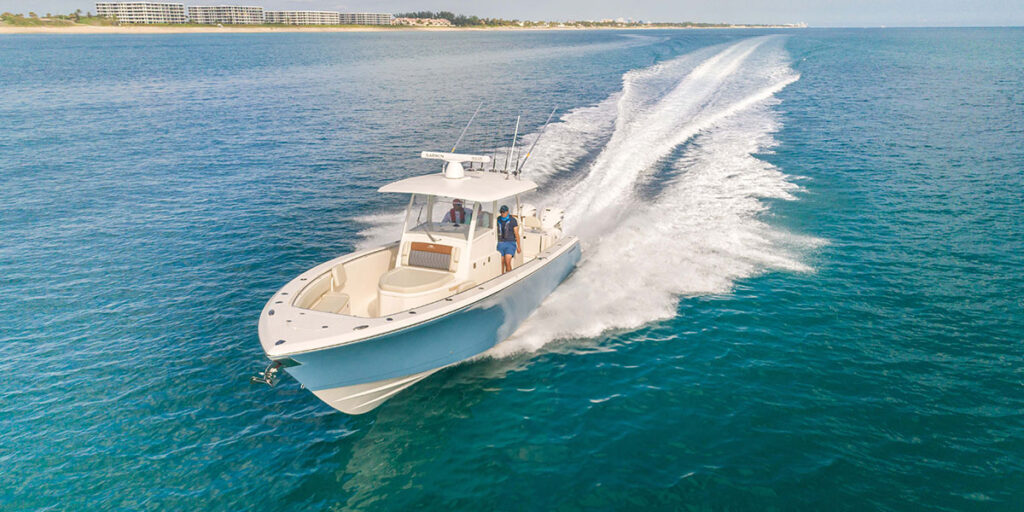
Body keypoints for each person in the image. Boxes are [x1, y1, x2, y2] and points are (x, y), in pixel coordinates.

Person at [496, 205, 521, 273]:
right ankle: (501, 276)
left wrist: (519, 246)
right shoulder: (498, 219)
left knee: (507, 261)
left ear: (507, 212)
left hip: (510, 243)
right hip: (501, 243)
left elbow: (517, 234)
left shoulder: (513, 220)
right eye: (501, 212)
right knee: (501, 262)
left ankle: (509, 276)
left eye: (504, 212)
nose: (502, 214)